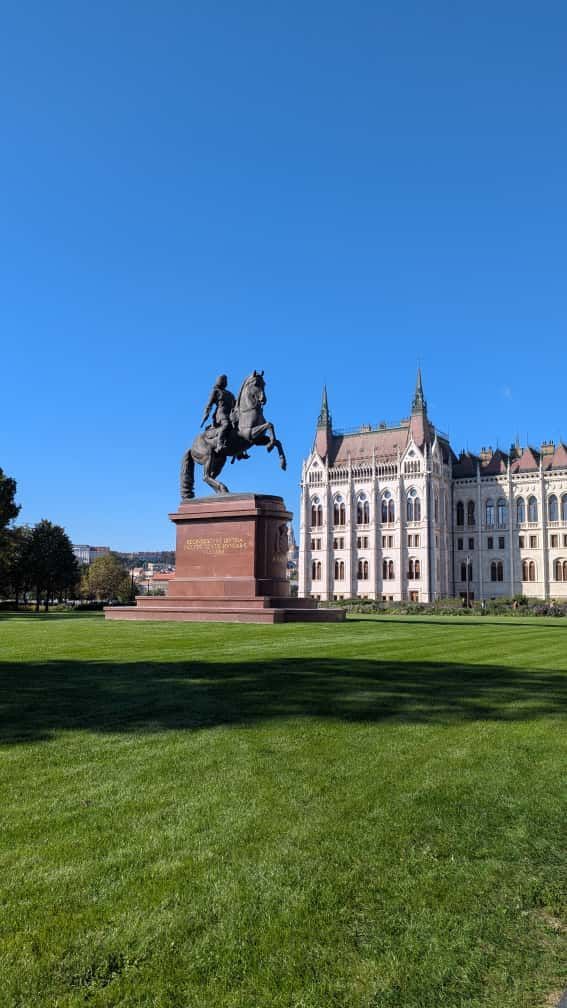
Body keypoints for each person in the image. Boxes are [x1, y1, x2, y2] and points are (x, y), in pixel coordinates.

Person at [201, 375, 249, 458]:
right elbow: (209, 404)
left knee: (240, 428)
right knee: (226, 424)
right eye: (223, 380)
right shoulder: (215, 391)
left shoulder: (230, 394)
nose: (225, 382)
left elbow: (236, 404)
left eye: (226, 380)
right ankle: (220, 443)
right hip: (220, 414)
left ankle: (240, 452)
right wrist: (206, 413)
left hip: (230, 414)